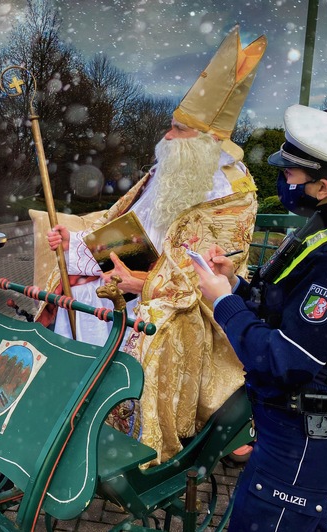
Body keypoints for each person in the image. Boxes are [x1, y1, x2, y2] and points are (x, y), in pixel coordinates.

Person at [35, 27, 267, 464]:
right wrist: (76, 243)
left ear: (205, 140)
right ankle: (74, 410)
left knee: (151, 323)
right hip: (133, 278)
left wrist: (142, 285)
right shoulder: (169, 169)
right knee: (73, 292)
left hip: (188, 305)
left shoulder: (233, 191)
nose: (166, 135)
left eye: (178, 129)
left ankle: (134, 437)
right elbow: (123, 226)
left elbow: (213, 276)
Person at [193, 104, 327, 531]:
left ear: (323, 186)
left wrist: (221, 302)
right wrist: (233, 285)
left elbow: (285, 358)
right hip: (296, 433)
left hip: (305, 441)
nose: (282, 181)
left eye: (290, 174)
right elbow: (286, 313)